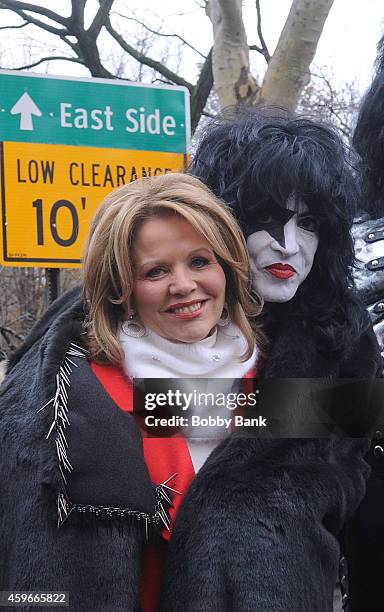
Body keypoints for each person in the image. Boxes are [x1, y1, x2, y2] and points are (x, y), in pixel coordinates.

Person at [0, 172, 374, 611]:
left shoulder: (294, 379)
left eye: (199, 261)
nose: (183, 286)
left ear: (228, 268)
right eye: (155, 271)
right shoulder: (67, 397)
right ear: (121, 288)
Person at [165, 107, 383, 611]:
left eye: (308, 223)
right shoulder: (123, 315)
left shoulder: (342, 344)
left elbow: (341, 462)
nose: (289, 244)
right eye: (266, 217)